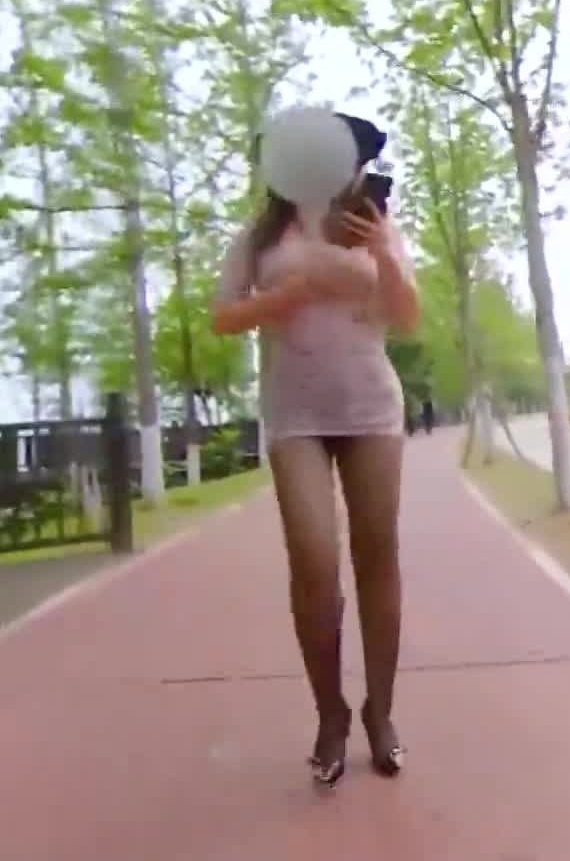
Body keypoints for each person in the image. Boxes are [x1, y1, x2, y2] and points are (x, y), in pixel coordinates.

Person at [210, 113, 420, 788]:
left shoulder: (372, 223)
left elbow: (407, 317)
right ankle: (331, 714)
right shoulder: (260, 236)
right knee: (314, 562)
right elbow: (222, 317)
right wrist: (289, 295)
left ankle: (380, 713)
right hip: (294, 413)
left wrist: (383, 252)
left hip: (371, 408)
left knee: (377, 556)